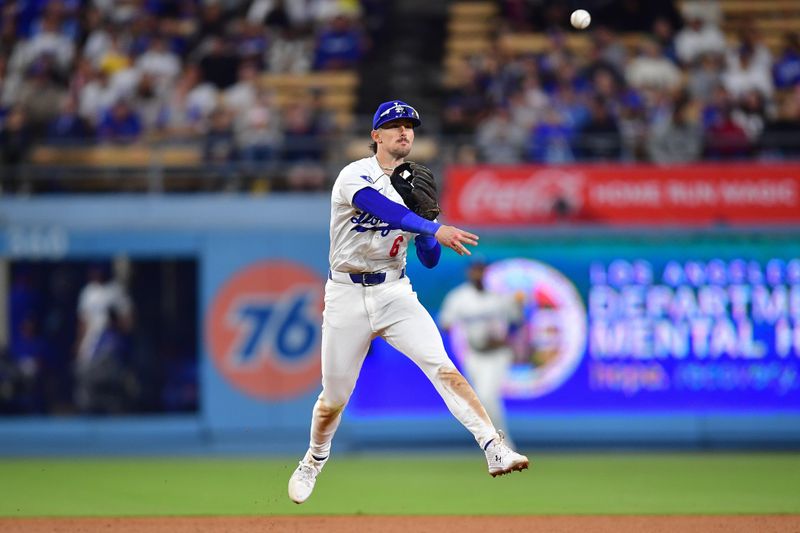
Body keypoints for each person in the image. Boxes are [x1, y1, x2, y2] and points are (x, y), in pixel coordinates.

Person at [287, 100, 529, 505]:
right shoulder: (355, 174)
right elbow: (377, 207)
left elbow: (430, 260)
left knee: (443, 367)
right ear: (375, 136)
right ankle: (314, 458)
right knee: (333, 398)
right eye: (394, 125)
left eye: (410, 126)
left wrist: (429, 226)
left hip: (395, 292)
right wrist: (430, 223)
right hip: (346, 293)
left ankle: (493, 446)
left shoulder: (415, 183)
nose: (404, 132)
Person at [439, 260, 523, 447]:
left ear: (486, 273)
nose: (477, 274)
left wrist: (508, 333)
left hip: (498, 354)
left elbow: (516, 321)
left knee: (487, 395)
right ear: (469, 273)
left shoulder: (499, 297)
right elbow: (446, 322)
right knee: (482, 400)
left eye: (481, 270)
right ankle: (497, 443)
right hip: (474, 354)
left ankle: (503, 444)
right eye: (474, 270)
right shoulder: (459, 297)